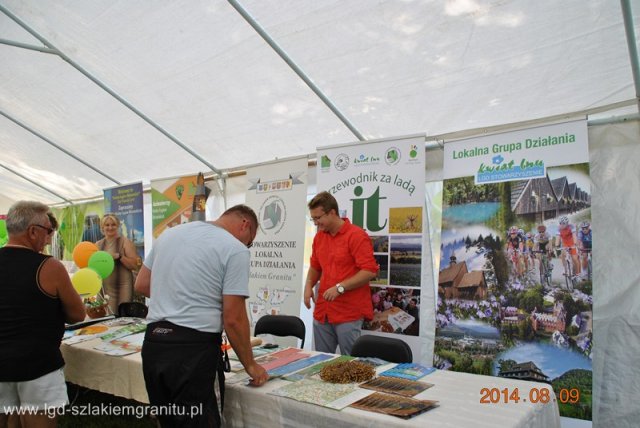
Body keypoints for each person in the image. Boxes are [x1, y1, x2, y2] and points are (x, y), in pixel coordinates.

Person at [135, 205, 268, 427]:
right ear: (245, 224)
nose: (247, 246)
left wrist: (179, 297)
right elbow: (233, 318)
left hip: (155, 344)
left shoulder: (170, 234)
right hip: (193, 352)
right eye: (250, 241)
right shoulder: (235, 249)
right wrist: (251, 365)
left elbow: (142, 284)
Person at [0, 201, 85, 428]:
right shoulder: (49, 267)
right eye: (48, 231)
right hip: (38, 364)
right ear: (33, 231)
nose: (49, 238)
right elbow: (78, 314)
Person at [304, 191, 378, 355]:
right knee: (321, 360)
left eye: (318, 218)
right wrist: (308, 286)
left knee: (350, 363)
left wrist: (340, 288)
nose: (316, 223)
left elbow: (369, 271)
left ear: (332, 212)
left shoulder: (356, 236)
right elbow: (315, 266)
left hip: (348, 313)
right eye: (313, 219)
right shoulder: (319, 238)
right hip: (323, 311)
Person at [96, 214, 138, 314]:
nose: (110, 227)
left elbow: (135, 265)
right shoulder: (98, 244)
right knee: (104, 318)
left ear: (118, 226)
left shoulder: (125, 242)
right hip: (104, 288)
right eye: (107, 225)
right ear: (102, 227)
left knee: (122, 316)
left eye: (113, 224)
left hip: (123, 287)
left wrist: (119, 257)